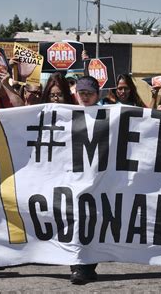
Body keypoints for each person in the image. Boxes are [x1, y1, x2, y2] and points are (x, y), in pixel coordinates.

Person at [69, 75, 101, 285]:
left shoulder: (110, 115)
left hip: (100, 178)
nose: (86, 97)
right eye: (82, 93)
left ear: (98, 95)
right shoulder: (66, 115)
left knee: (95, 222)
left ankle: (88, 266)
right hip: (73, 178)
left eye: (90, 93)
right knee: (76, 221)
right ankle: (78, 266)